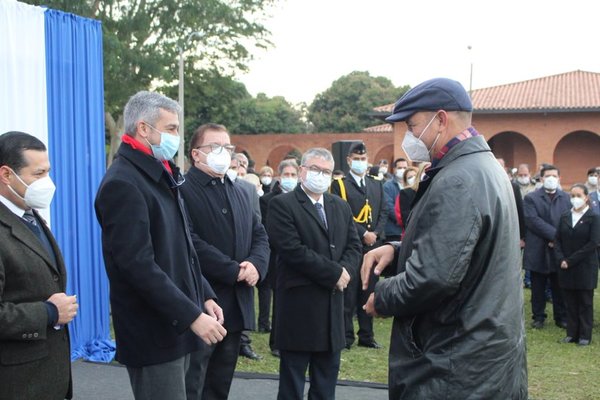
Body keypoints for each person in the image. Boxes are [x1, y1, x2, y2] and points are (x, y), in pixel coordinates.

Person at [361, 78, 528, 399]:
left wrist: (382, 297)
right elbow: (464, 247)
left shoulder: (459, 178)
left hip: (455, 365)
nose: (408, 137)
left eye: (412, 125)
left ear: (440, 119)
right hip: (479, 356)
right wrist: (398, 250)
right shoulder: (484, 166)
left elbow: (433, 278)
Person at [94, 92, 226, 400]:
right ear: (143, 128)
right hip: (155, 333)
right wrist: (191, 315)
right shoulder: (124, 183)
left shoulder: (159, 172)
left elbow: (181, 249)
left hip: (180, 322)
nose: (177, 137)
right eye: (171, 128)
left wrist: (203, 294)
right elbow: (138, 266)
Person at [182, 123, 270, 400]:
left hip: (236, 304)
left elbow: (259, 233)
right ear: (196, 154)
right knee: (193, 381)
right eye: (215, 147)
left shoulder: (241, 190)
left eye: (227, 147)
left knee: (220, 383)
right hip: (200, 301)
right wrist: (233, 270)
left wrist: (255, 265)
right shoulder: (181, 190)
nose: (224, 153)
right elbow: (188, 242)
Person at [266, 148, 361, 400]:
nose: (321, 176)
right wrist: (333, 273)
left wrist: (346, 272)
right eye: (316, 170)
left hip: (333, 310)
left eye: (327, 172)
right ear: (302, 171)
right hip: (300, 309)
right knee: (292, 385)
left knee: (325, 384)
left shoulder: (339, 206)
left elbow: (354, 246)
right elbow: (291, 249)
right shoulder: (282, 205)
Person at [0, 131, 78, 400]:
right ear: (7, 175)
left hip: (48, 377)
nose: (47, 182)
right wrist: (48, 312)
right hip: (17, 383)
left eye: (48, 172)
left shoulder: (30, 216)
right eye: (38, 174)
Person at [330, 142, 388, 350]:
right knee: (349, 291)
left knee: (369, 290)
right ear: (348, 160)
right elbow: (341, 212)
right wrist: (363, 233)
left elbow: (383, 211)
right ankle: (346, 336)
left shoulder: (376, 183)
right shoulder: (340, 184)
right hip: (352, 245)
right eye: (357, 158)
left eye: (363, 159)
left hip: (374, 247)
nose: (361, 162)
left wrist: (376, 234)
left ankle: (367, 335)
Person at [259, 159, 300, 357]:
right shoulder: (268, 200)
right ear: (279, 176)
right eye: (287, 175)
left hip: (297, 255)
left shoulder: (301, 198)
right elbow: (269, 229)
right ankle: (276, 341)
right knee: (278, 299)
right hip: (276, 256)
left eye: (294, 175)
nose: (290, 179)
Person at [523, 164, 571, 329]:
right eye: (547, 176)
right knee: (538, 286)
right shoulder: (531, 198)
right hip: (538, 247)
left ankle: (561, 317)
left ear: (559, 178)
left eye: (554, 176)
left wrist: (558, 240)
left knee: (559, 285)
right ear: (541, 178)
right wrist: (555, 236)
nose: (551, 179)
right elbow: (532, 221)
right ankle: (538, 317)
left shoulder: (566, 198)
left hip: (559, 250)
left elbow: (569, 221)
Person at [555, 183, 600, 346]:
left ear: (586, 198)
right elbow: (557, 240)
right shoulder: (565, 216)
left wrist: (570, 260)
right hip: (565, 266)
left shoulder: (593, 217)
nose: (575, 199)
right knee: (570, 301)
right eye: (572, 196)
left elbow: (593, 243)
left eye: (578, 196)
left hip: (584, 266)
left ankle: (584, 335)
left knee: (585, 302)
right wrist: (561, 259)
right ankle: (571, 333)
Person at [382, 158, 410, 241]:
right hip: (394, 232)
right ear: (394, 169)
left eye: (405, 168)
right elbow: (390, 207)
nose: (402, 170)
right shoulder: (388, 186)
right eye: (400, 168)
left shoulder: (411, 185)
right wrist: (405, 221)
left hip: (408, 231)